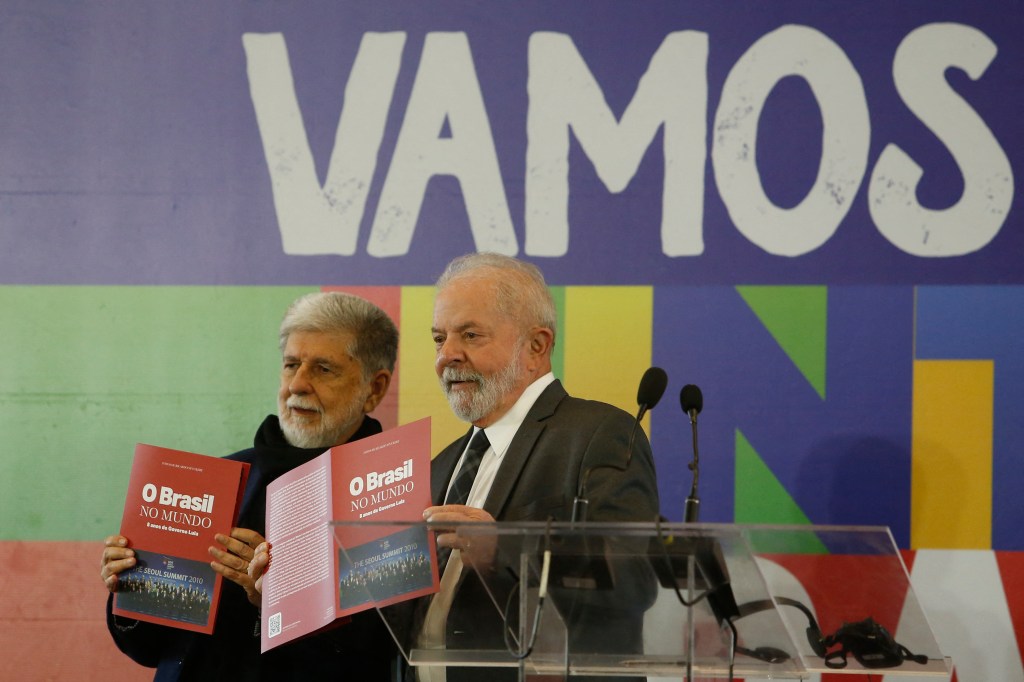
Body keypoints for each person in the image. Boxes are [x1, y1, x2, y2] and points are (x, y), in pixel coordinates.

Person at [100, 291, 400, 681]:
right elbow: (148, 649)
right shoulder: (220, 477)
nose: (298, 384)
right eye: (291, 365)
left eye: (324, 369)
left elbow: (382, 653)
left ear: (373, 389)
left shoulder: (393, 495)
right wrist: (133, 586)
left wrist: (276, 599)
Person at [417, 252, 661, 681]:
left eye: (470, 335)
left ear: (536, 346)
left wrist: (504, 549)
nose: (447, 356)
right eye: (439, 339)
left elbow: (633, 576)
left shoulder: (598, 435)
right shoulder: (441, 467)